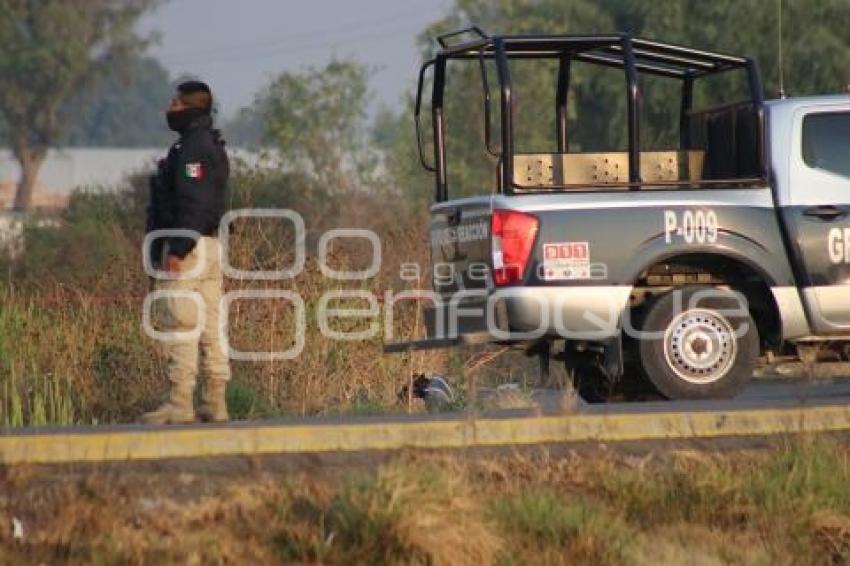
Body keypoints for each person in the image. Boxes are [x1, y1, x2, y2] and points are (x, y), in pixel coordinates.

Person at [142, 81, 231, 424]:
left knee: (180, 321)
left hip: (190, 248)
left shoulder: (194, 149)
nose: (170, 108)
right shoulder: (210, 145)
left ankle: (179, 402)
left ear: (192, 107)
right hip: (210, 246)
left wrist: (177, 248)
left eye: (176, 103)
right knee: (210, 326)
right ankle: (215, 402)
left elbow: (194, 202)